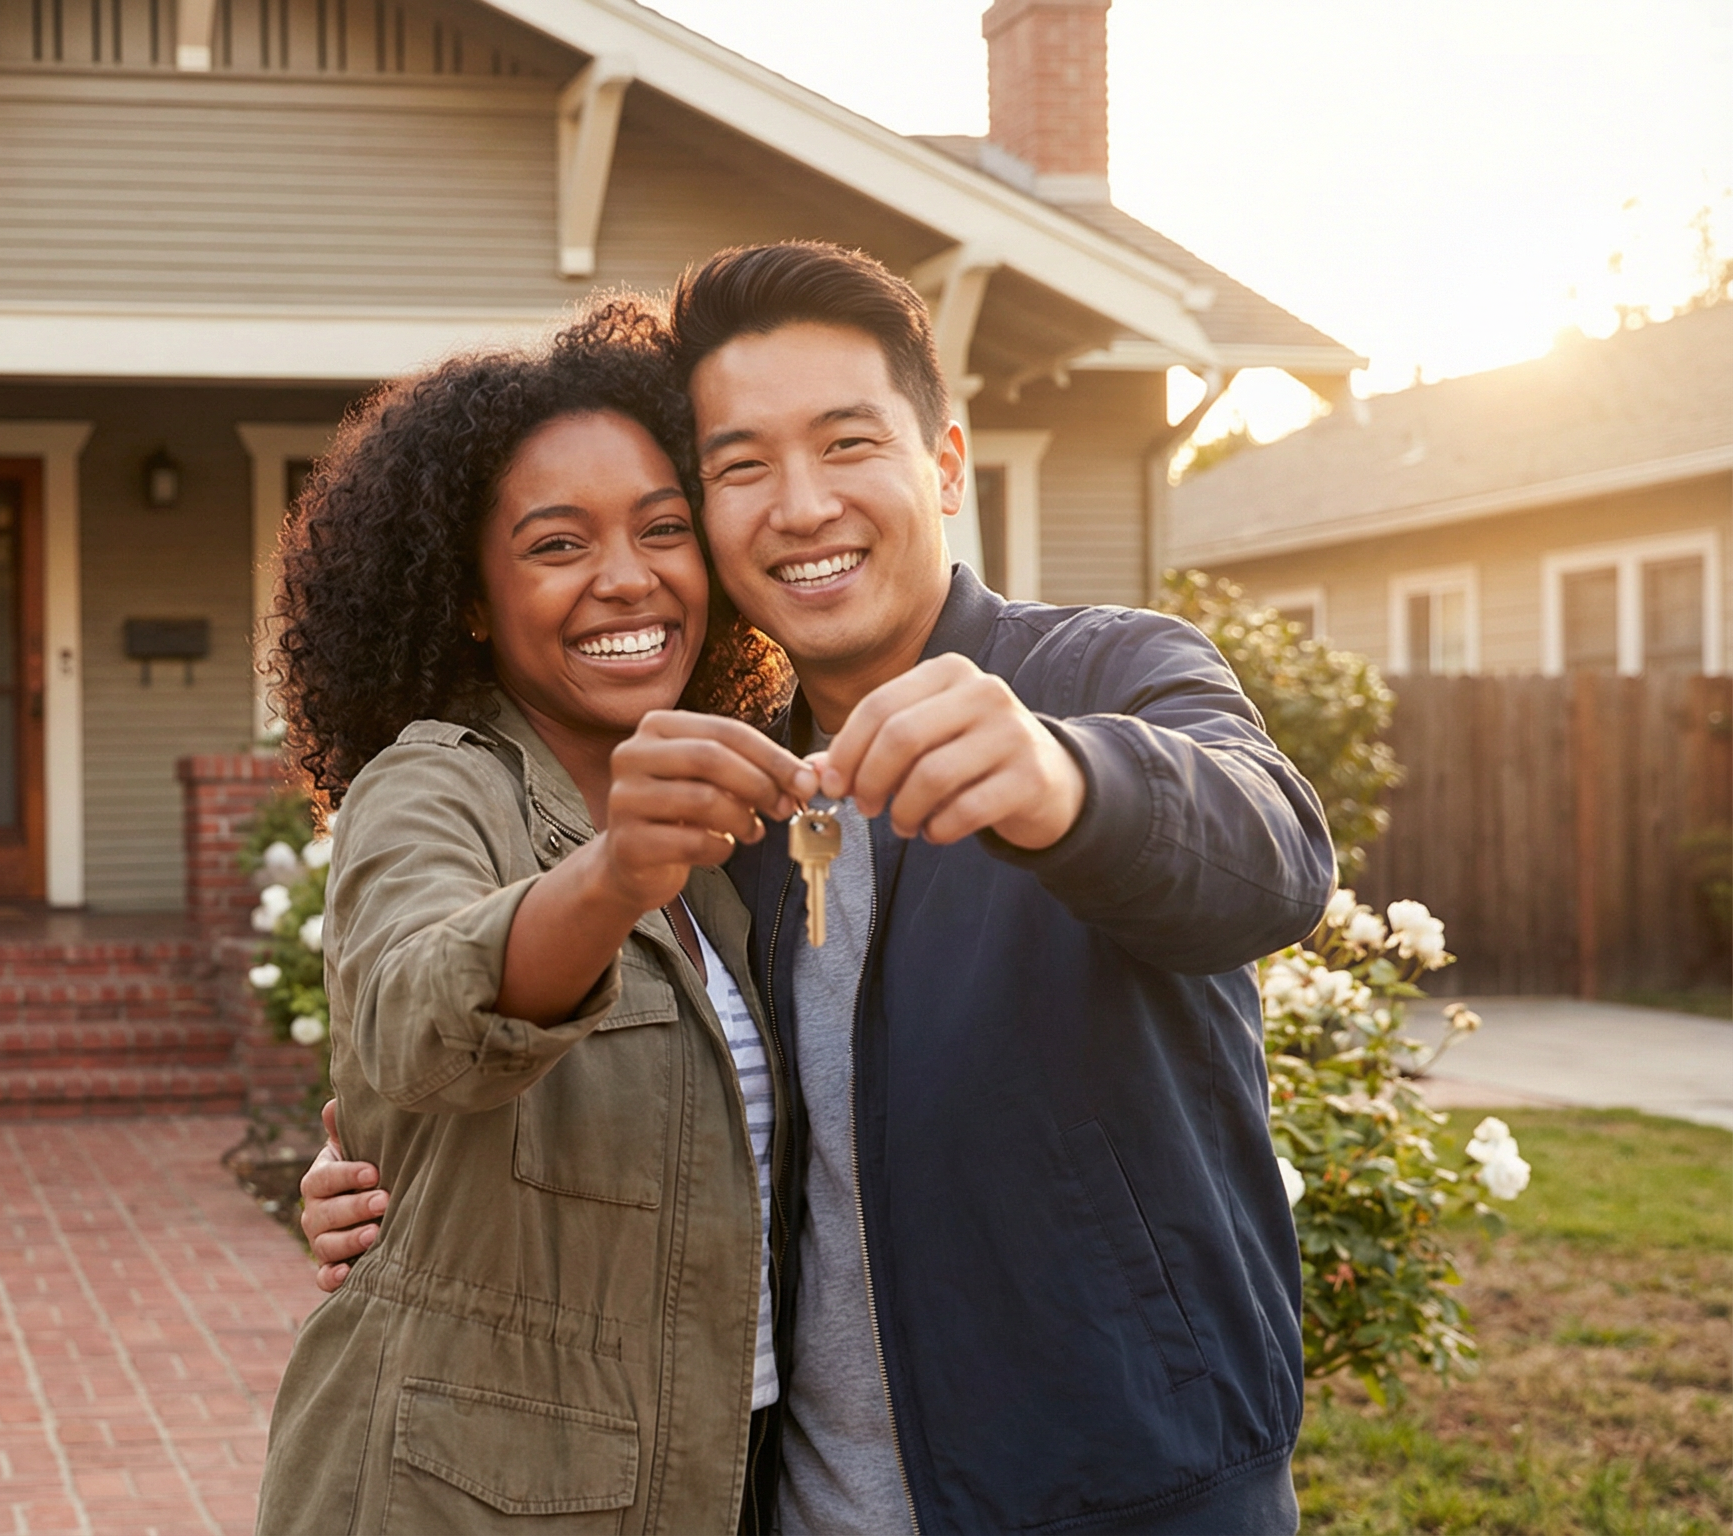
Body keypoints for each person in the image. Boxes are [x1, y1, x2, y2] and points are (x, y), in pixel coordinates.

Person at [299, 241, 1333, 1535]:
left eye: (847, 444)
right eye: (739, 467)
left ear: (944, 463)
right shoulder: (728, 809)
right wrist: (391, 1184)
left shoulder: (1106, 674)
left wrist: (1063, 777)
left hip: (1134, 1499)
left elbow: (1273, 863)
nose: (798, 505)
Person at [255, 297, 810, 1534]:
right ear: (468, 593)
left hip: (728, 1469)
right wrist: (613, 875)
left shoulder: (740, 816)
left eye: (664, 529)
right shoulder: (433, 781)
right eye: (557, 545)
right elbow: (412, 1014)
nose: (627, 578)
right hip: (467, 1489)